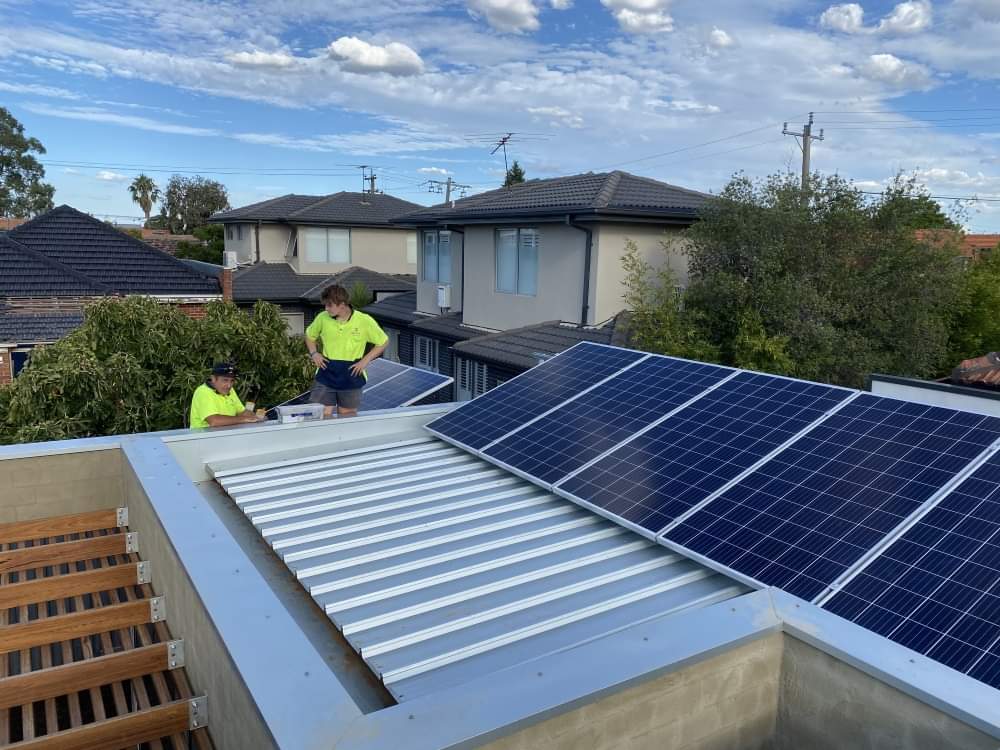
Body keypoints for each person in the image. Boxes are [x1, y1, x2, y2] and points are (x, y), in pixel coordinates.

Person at [305, 284, 388, 417]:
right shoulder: (322, 317)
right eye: (325, 305)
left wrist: (365, 360)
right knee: (319, 415)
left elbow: (383, 341)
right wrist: (314, 353)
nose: (326, 308)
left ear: (342, 304)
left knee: (347, 415)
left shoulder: (364, 320)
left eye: (330, 305)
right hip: (326, 372)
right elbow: (310, 335)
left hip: (352, 374)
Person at [189, 362, 262, 429]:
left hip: (225, 436)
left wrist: (257, 417)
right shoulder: (203, 392)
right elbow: (214, 421)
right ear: (213, 379)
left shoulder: (230, 390)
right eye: (225, 380)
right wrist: (245, 419)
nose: (229, 385)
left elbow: (242, 412)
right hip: (202, 439)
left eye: (232, 380)